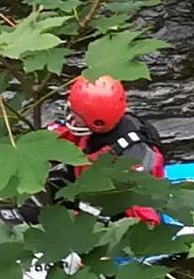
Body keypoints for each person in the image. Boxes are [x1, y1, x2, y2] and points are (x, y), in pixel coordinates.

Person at [47, 75, 166, 224]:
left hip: (115, 211)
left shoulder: (131, 161)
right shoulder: (91, 128)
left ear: (95, 121)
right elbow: (57, 137)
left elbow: (145, 219)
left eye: (76, 114)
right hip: (89, 189)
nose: (71, 116)